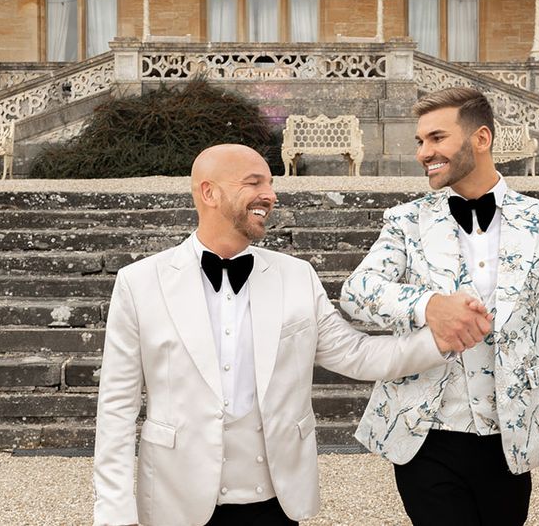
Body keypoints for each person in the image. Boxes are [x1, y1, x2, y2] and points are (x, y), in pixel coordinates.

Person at [93, 143, 458, 526]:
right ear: (209, 192)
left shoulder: (296, 276)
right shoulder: (139, 283)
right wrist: (115, 512)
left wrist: (439, 340)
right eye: (253, 183)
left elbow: (356, 353)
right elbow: (116, 407)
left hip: (276, 502)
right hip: (174, 502)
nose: (269, 195)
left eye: (270, 183)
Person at [340, 87, 539, 526]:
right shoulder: (407, 221)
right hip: (426, 435)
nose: (424, 152)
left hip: (510, 439)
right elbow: (357, 291)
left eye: (436, 138)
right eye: (420, 142)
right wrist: (427, 305)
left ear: (480, 139)